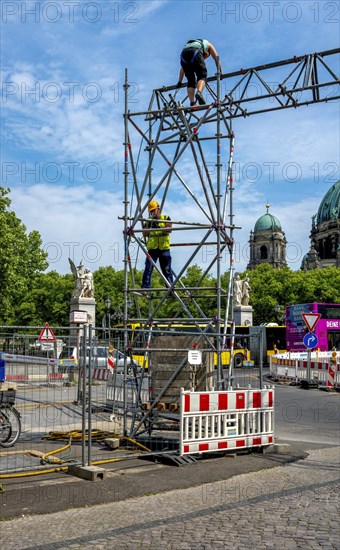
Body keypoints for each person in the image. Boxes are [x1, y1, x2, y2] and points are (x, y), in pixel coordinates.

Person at [177, 39, 222, 106]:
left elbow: (182, 69)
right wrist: (220, 71)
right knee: (202, 75)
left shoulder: (191, 44)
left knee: (190, 80)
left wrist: (179, 82)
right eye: (205, 57)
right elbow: (216, 58)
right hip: (195, 52)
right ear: (207, 53)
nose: (204, 58)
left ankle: (192, 103)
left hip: (184, 55)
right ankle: (199, 92)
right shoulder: (209, 45)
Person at [141, 200, 174, 289]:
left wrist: (160, 227)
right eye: (150, 211)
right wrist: (150, 226)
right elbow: (144, 233)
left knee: (167, 269)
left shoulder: (166, 217)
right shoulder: (148, 221)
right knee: (148, 268)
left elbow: (169, 229)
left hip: (164, 248)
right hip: (153, 249)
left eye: (153, 210)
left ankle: (170, 287)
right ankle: (145, 287)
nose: (152, 213)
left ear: (158, 209)